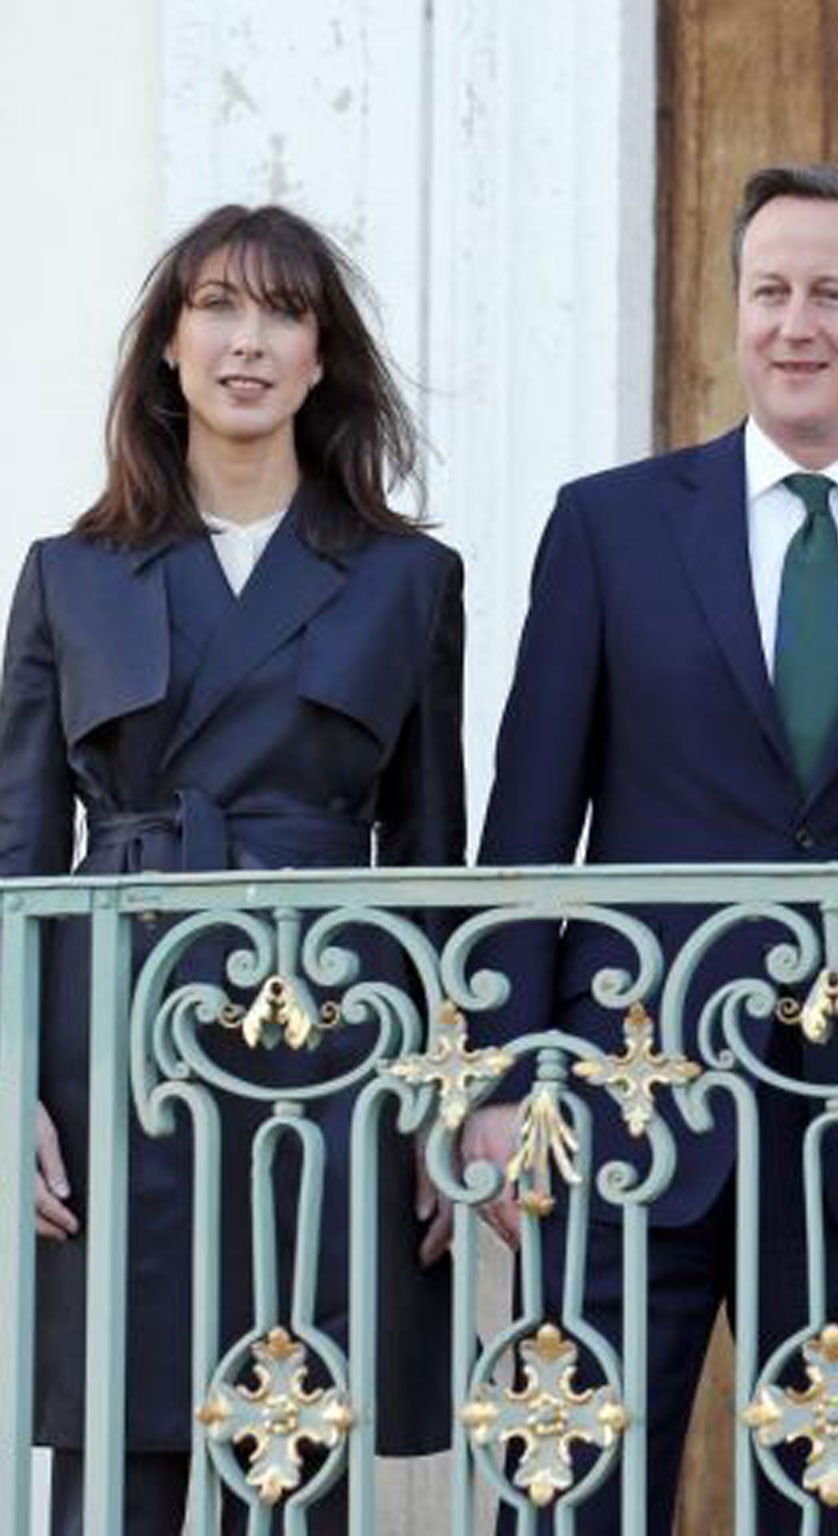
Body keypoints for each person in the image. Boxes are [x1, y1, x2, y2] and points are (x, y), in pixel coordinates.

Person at [464, 161, 838, 1533]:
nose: (796, 324)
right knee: (570, 1498)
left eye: (834, 295)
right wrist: (502, 1077)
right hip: (620, 1101)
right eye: (771, 291)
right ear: (736, 310)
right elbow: (527, 818)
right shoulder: (609, 527)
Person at [1, 204, 464, 1535]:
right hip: (114, 1039)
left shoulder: (404, 580)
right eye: (214, 306)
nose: (244, 341)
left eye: (280, 313)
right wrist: (11, 1079)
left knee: (300, 1441)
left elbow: (434, 852)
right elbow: (15, 849)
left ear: (325, 360)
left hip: (335, 1033)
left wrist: (444, 1089)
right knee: (121, 1443)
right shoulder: (70, 576)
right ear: (166, 348)